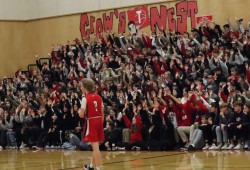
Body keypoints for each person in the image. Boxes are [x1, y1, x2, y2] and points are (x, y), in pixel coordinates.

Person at [78, 78, 104, 170]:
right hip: (99, 121)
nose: (80, 87)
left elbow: (81, 115)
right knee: (95, 146)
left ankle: (98, 168)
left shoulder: (85, 99)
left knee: (96, 149)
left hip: (91, 122)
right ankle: (92, 166)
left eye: (81, 86)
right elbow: (102, 112)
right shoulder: (99, 97)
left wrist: (79, 110)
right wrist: (100, 124)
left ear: (85, 87)